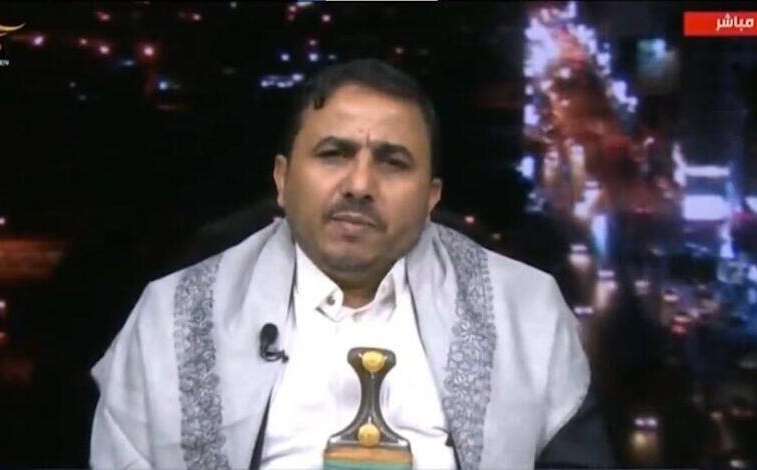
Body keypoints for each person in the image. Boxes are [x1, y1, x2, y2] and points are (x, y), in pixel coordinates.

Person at [90, 58, 614, 469]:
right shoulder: (171, 317)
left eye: (393, 162)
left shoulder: (527, 312)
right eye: (333, 154)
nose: (359, 185)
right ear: (282, 179)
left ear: (431, 197)